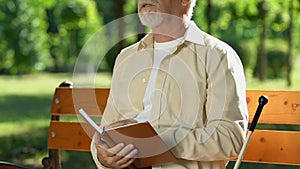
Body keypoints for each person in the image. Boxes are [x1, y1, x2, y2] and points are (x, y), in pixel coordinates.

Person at [91, 0, 249, 168]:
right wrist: (103, 157)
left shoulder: (217, 55)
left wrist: (161, 141)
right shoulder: (126, 58)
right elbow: (106, 131)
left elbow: (230, 138)